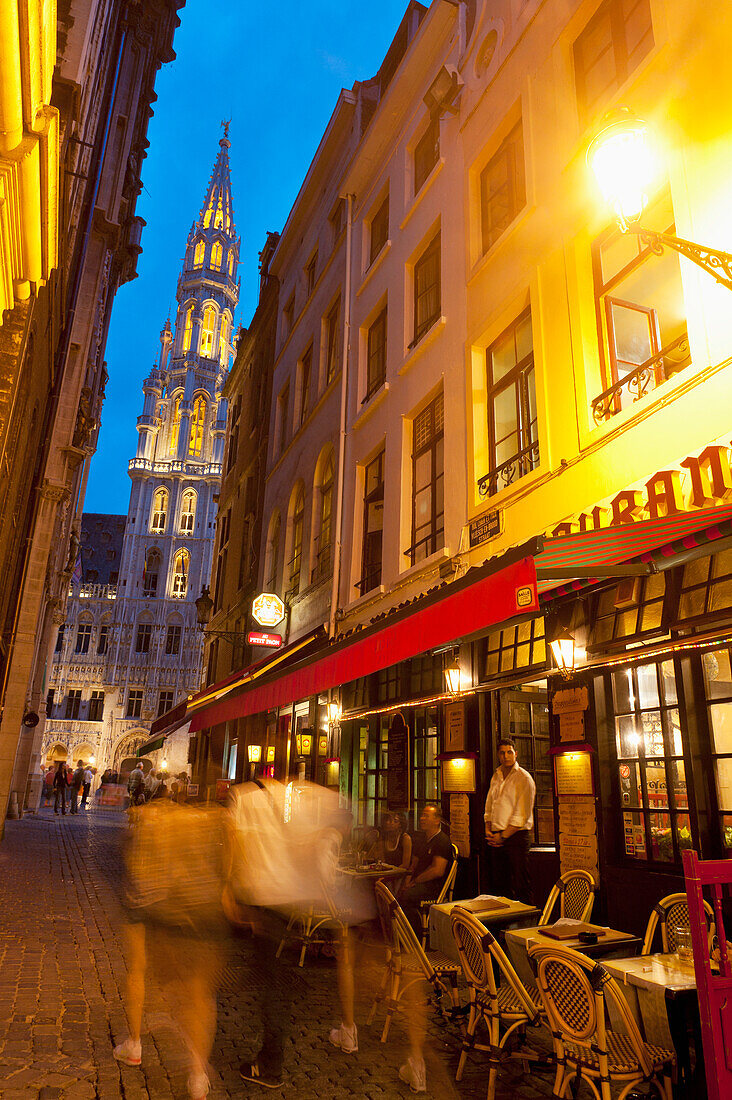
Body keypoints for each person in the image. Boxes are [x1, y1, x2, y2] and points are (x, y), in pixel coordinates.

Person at [484, 737, 536, 904]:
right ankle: (504, 924)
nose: (506, 756)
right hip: (496, 837)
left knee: (521, 884)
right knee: (500, 885)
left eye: (509, 752)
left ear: (516, 754)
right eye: (502, 753)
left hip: (517, 837)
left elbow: (521, 815)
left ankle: (526, 925)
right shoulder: (497, 775)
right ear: (498, 755)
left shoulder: (524, 778)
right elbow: (490, 805)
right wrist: (488, 828)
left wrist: (503, 836)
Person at [400, 804, 453, 936]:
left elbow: (437, 870)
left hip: (432, 887)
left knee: (406, 898)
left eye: (426, 816)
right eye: (422, 815)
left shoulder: (442, 841)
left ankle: (413, 937)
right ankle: (400, 935)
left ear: (437, 820)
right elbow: (413, 864)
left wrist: (415, 882)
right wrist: (407, 882)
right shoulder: (422, 840)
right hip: (417, 883)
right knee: (396, 893)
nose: (422, 818)